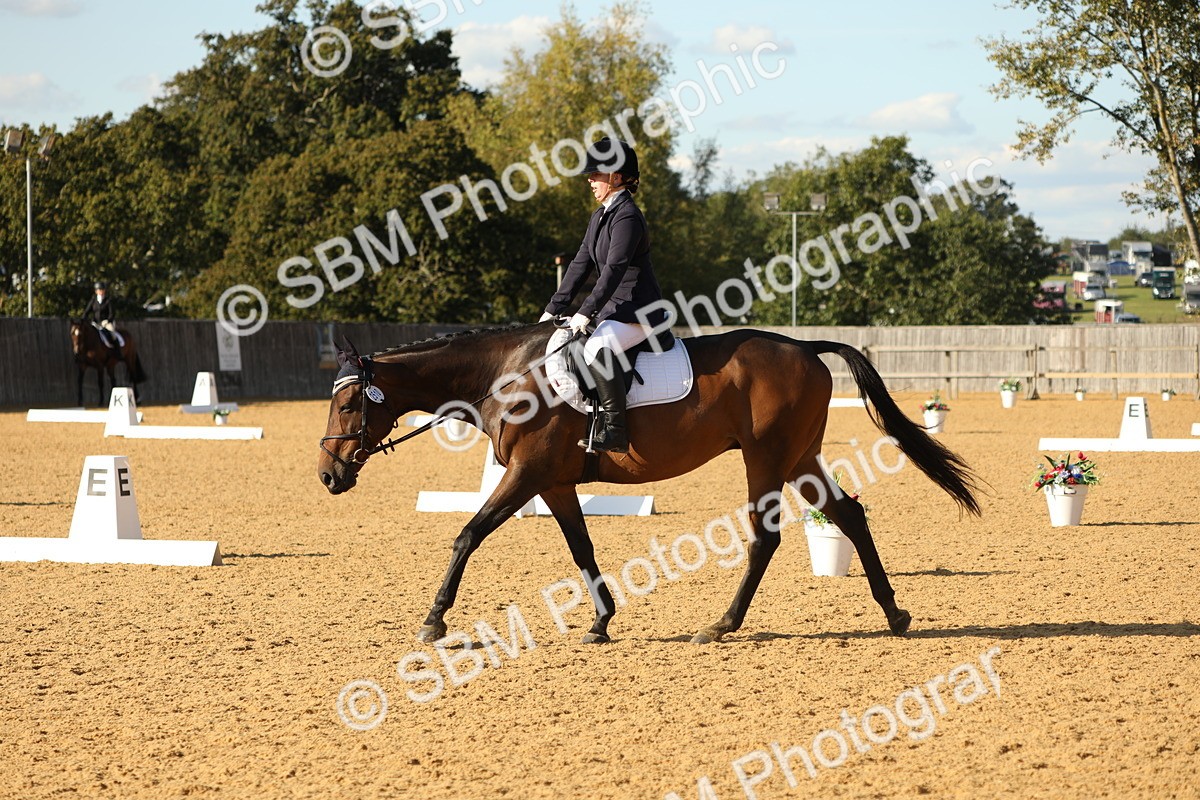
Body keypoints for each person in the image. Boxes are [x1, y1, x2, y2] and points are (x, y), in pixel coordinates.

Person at [540, 137, 668, 454]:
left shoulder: (627, 216)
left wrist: (584, 312)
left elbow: (613, 270)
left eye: (596, 174)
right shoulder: (600, 216)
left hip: (639, 312)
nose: (590, 180)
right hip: (614, 310)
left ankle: (616, 431)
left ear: (616, 176)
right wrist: (551, 311)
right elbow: (580, 264)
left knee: (597, 346)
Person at [83, 281, 124, 349]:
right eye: (100, 290)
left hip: (106, 322)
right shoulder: (93, 300)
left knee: (112, 334)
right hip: (96, 323)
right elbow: (87, 311)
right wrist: (83, 318)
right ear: (96, 291)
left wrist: (108, 320)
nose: (102, 291)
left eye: (103, 290)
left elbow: (112, 313)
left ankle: (118, 352)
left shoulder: (108, 300)